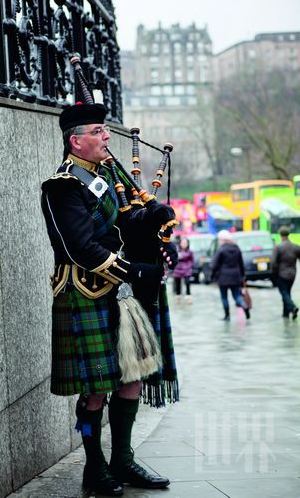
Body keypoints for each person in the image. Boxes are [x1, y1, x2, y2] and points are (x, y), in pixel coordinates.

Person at [41, 101, 179, 497]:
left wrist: (151, 220)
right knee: (96, 390)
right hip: (84, 293)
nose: (106, 137)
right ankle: (95, 466)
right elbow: (80, 248)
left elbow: (121, 223)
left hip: (119, 295)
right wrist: (136, 272)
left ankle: (122, 458)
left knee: (132, 377)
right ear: (76, 140)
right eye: (98, 131)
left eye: (105, 130)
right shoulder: (62, 186)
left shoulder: (104, 176)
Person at [211, 230, 250, 321]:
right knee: (237, 296)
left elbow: (215, 265)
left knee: (224, 297)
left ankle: (227, 315)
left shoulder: (221, 250)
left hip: (223, 277)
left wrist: (213, 276)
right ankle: (244, 305)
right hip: (236, 276)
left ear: (222, 239)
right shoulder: (237, 248)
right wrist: (243, 276)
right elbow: (241, 263)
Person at [271, 225, 300, 319]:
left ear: (280, 235)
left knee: (284, 292)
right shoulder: (295, 247)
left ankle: (292, 307)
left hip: (281, 274)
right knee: (287, 292)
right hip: (292, 274)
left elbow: (273, 263)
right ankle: (285, 313)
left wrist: (273, 274)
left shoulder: (278, 247)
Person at [172, 237, 194, 303]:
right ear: (180, 243)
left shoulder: (190, 251)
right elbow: (174, 259)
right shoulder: (176, 250)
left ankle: (188, 297)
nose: (184, 244)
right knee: (177, 284)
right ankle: (178, 297)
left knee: (187, 283)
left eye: (185, 243)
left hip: (186, 269)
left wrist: (188, 266)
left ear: (188, 244)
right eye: (182, 243)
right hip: (177, 269)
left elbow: (192, 260)